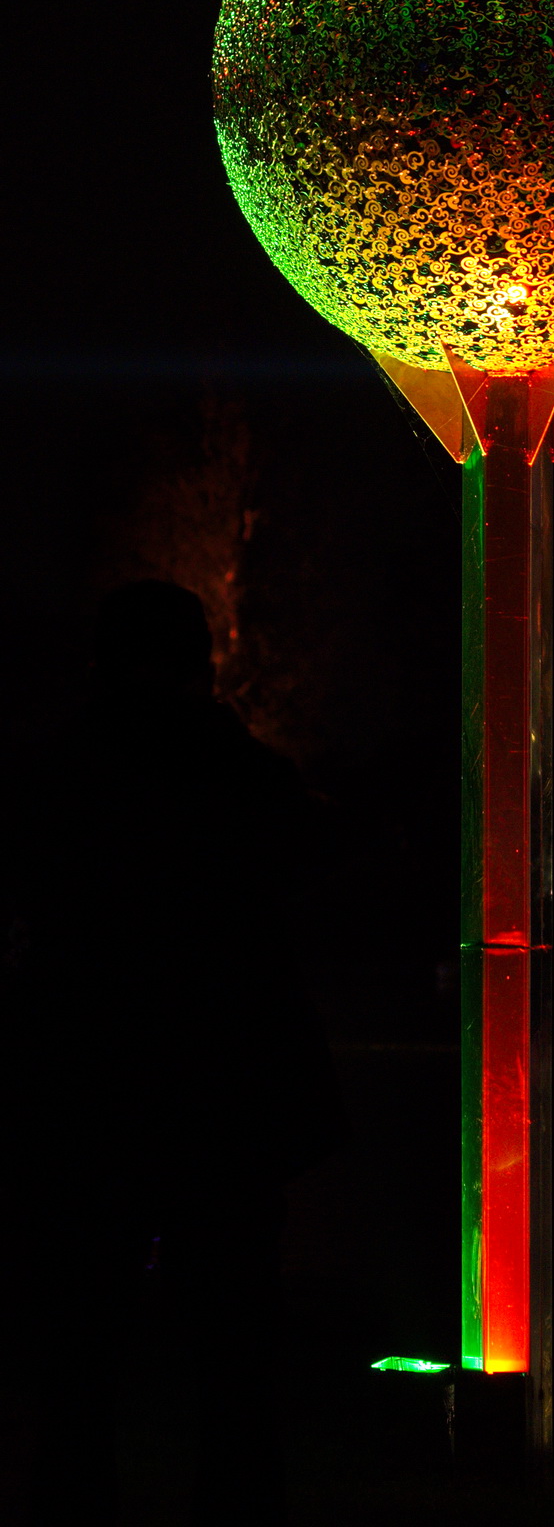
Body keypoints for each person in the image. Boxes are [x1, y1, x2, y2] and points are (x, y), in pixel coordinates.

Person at [0, 581, 344, 1525]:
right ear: (202, 666)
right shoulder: (250, 782)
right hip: (227, 1100)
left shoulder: (51, 781)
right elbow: (320, 886)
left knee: (78, 1359)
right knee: (235, 1359)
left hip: (83, 1097)